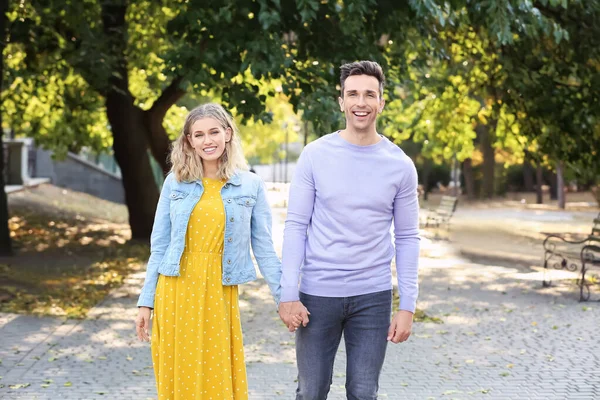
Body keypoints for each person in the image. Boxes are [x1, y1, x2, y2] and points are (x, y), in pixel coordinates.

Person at [278, 60, 420, 399]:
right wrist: (288, 293)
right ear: (341, 101)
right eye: (352, 94)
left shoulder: (400, 165)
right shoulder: (315, 156)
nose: (361, 102)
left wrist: (408, 305)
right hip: (317, 295)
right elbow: (296, 225)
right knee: (311, 391)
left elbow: (408, 237)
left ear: (381, 102)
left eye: (369, 94)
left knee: (363, 392)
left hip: (372, 296)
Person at [134, 103, 289, 399]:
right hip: (175, 289)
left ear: (228, 134)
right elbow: (160, 247)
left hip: (219, 290)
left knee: (216, 374)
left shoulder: (250, 185)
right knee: (180, 373)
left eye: (214, 132)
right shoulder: (175, 183)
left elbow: (264, 248)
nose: (208, 140)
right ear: (189, 140)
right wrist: (145, 303)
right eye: (199, 134)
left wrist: (284, 298)